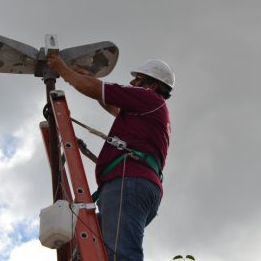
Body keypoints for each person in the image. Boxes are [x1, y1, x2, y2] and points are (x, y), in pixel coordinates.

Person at [48, 54, 174, 261]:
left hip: (129, 184)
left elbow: (99, 90)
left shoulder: (148, 98)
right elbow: (110, 102)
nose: (132, 83)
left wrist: (63, 70)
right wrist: (89, 80)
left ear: (152, 85)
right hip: (138, 188)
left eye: (138, 79)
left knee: (120, 255)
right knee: (92, 245)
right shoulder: (149, 110)